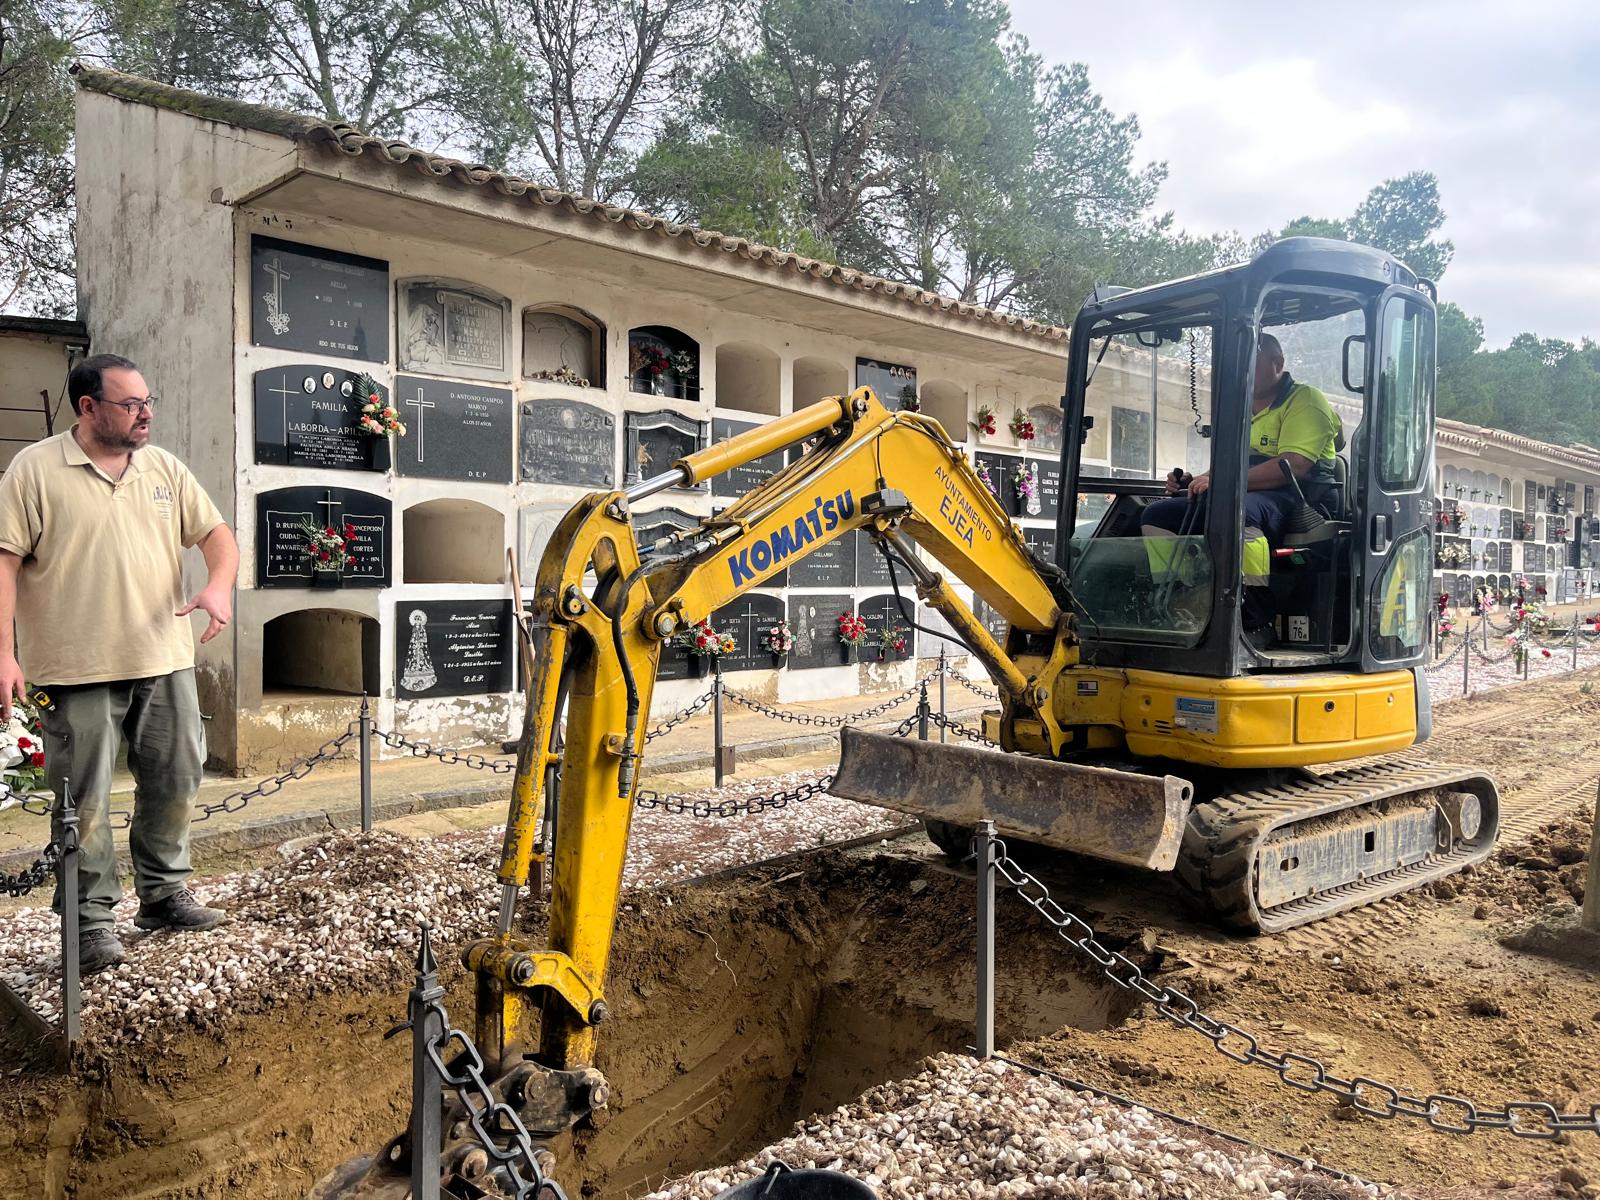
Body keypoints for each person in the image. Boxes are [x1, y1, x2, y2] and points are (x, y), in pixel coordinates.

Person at [0, 354, 239, 974]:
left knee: (179, 775)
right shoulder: (32, 471)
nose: (146, 413)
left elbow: (218, 536)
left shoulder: (163, 468)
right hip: (70, 669)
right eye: (131, 404)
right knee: (84, 800)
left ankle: (162, 895)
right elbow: (4, 564)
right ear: (88, 408)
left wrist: (218, 586)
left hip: (162, 658)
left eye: (147, 401)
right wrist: (3, 652)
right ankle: (91, 921)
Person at [1141, 332, 1341, 632]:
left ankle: (1252, 611)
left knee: (1239, 512)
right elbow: (1231, 467)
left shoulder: (1305, 400)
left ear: (1278, 363)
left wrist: (1223, 483)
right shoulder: (1242, 411)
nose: (1245, 373)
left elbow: (1293, 466)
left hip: (1301, 498)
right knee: (1157, 515)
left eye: (1254, 364)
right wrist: (1193, 481)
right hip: (1247, 490)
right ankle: (1179, 598)